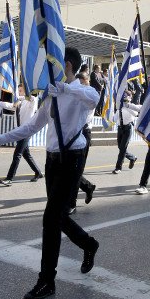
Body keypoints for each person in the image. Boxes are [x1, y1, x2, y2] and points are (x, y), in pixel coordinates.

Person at [0, 47, 100, 299]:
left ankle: (46, 281)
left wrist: (66, 88)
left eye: (55, 63)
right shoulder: (51, 95)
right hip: (52, 161)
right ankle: (88, 244)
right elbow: (32, 126)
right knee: (57, 217)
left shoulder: (80, 92)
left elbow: (94, 98)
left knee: (50, 219)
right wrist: (2, 138)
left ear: (67, 66)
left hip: (72, 158)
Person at [0, 83, 43, 186]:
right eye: (18, 91)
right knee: (26, 154)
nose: (19, 93)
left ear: (25, 91)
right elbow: (9, 105)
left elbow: (33, 99)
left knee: (17, 154)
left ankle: (9, 178)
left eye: (20, 90)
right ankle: (38, 172)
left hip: (26, 131)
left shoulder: (31, 101)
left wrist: (21, 96)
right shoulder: (19, 102)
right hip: (19, 131)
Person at [70, 71, 97, 212]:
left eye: (82, 83)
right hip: (74, 132)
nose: (80, 86)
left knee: (76, 170)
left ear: (87, 82)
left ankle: (72, 204)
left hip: (84, 133)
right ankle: (87, 186)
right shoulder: (79, 92)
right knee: (71, 170)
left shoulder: (90, 94)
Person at [112, 90, 139, 174]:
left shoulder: (132, 106)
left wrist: (127, 105)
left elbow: (135, 114)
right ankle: (132, 157)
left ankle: (118, 167)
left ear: (130, 97)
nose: (124, 98)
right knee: (120, 147)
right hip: (120, 128)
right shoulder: (119, 107)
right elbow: (115, 118)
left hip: (128, 128)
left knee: (123, 148)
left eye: (126, 96)